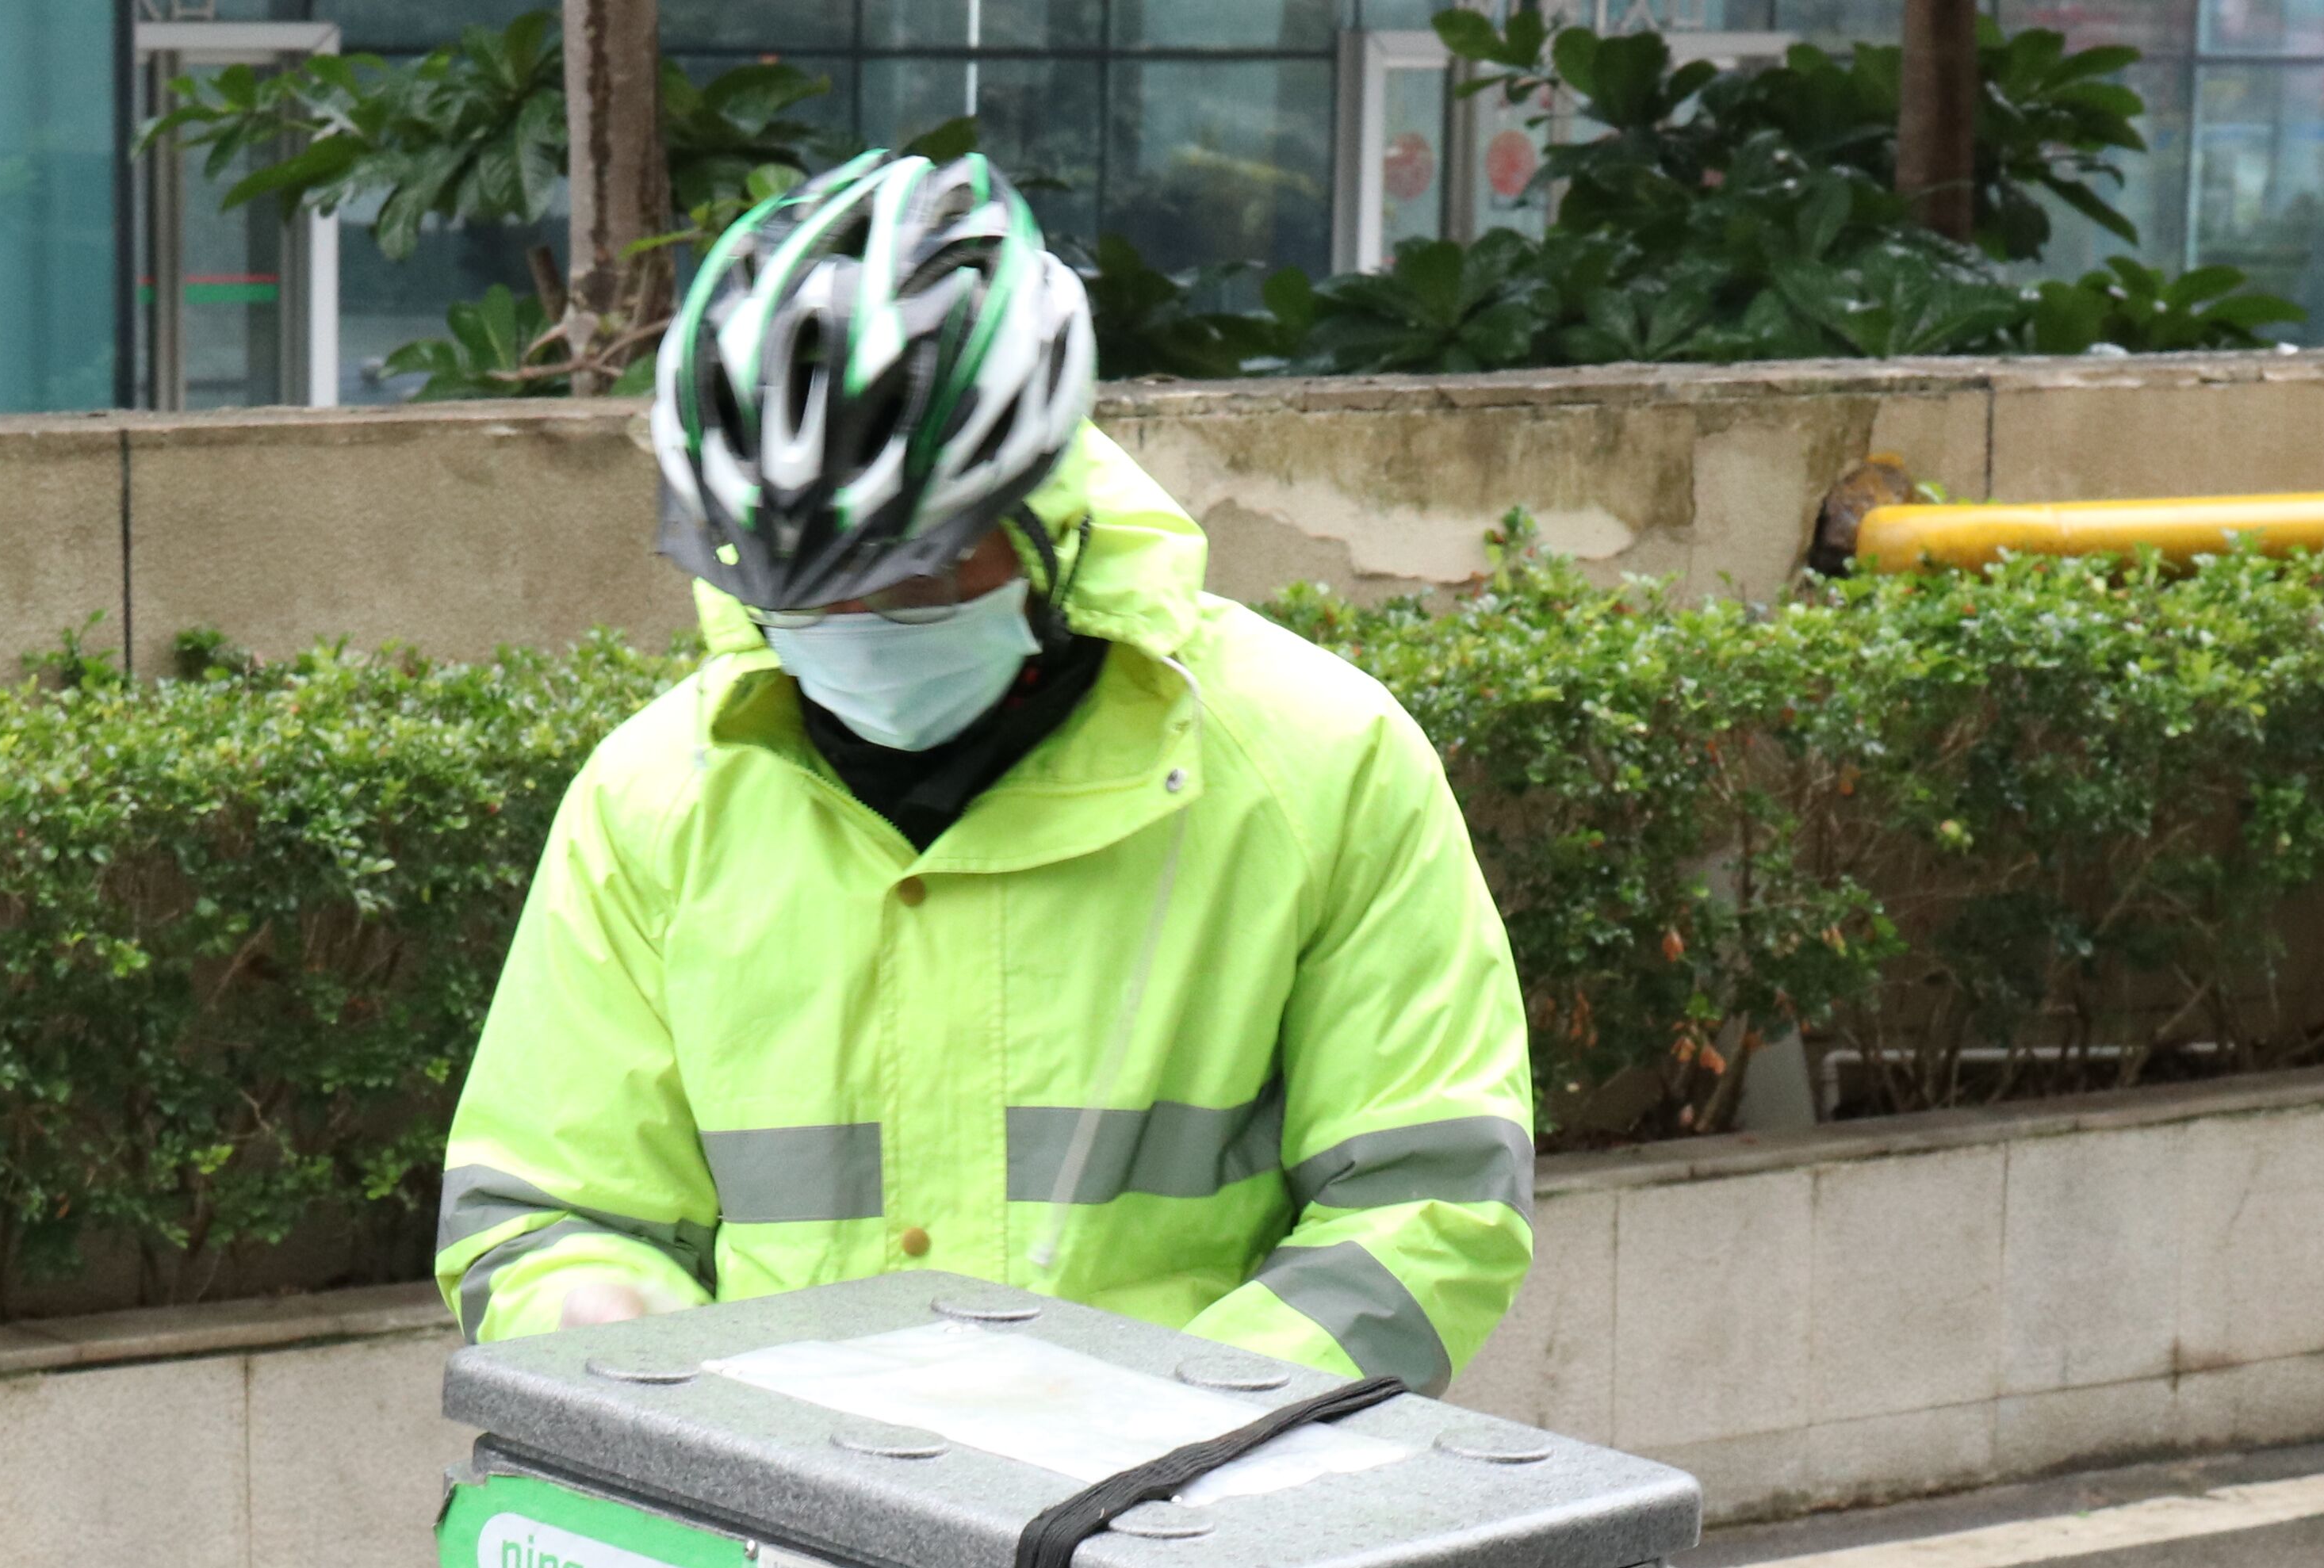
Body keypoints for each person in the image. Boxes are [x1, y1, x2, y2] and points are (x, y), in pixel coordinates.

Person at [435, 150, 1535, 1394]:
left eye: (911, 571)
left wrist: (1138, 1469)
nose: (847, 619)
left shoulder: (1318, 762)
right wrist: (640, 1366)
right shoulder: (650, 802)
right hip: (786, 1541)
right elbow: (543, 1213)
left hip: (1177, 1547)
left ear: (1039, 510)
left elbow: (1425, 1207)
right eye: (789, 577)